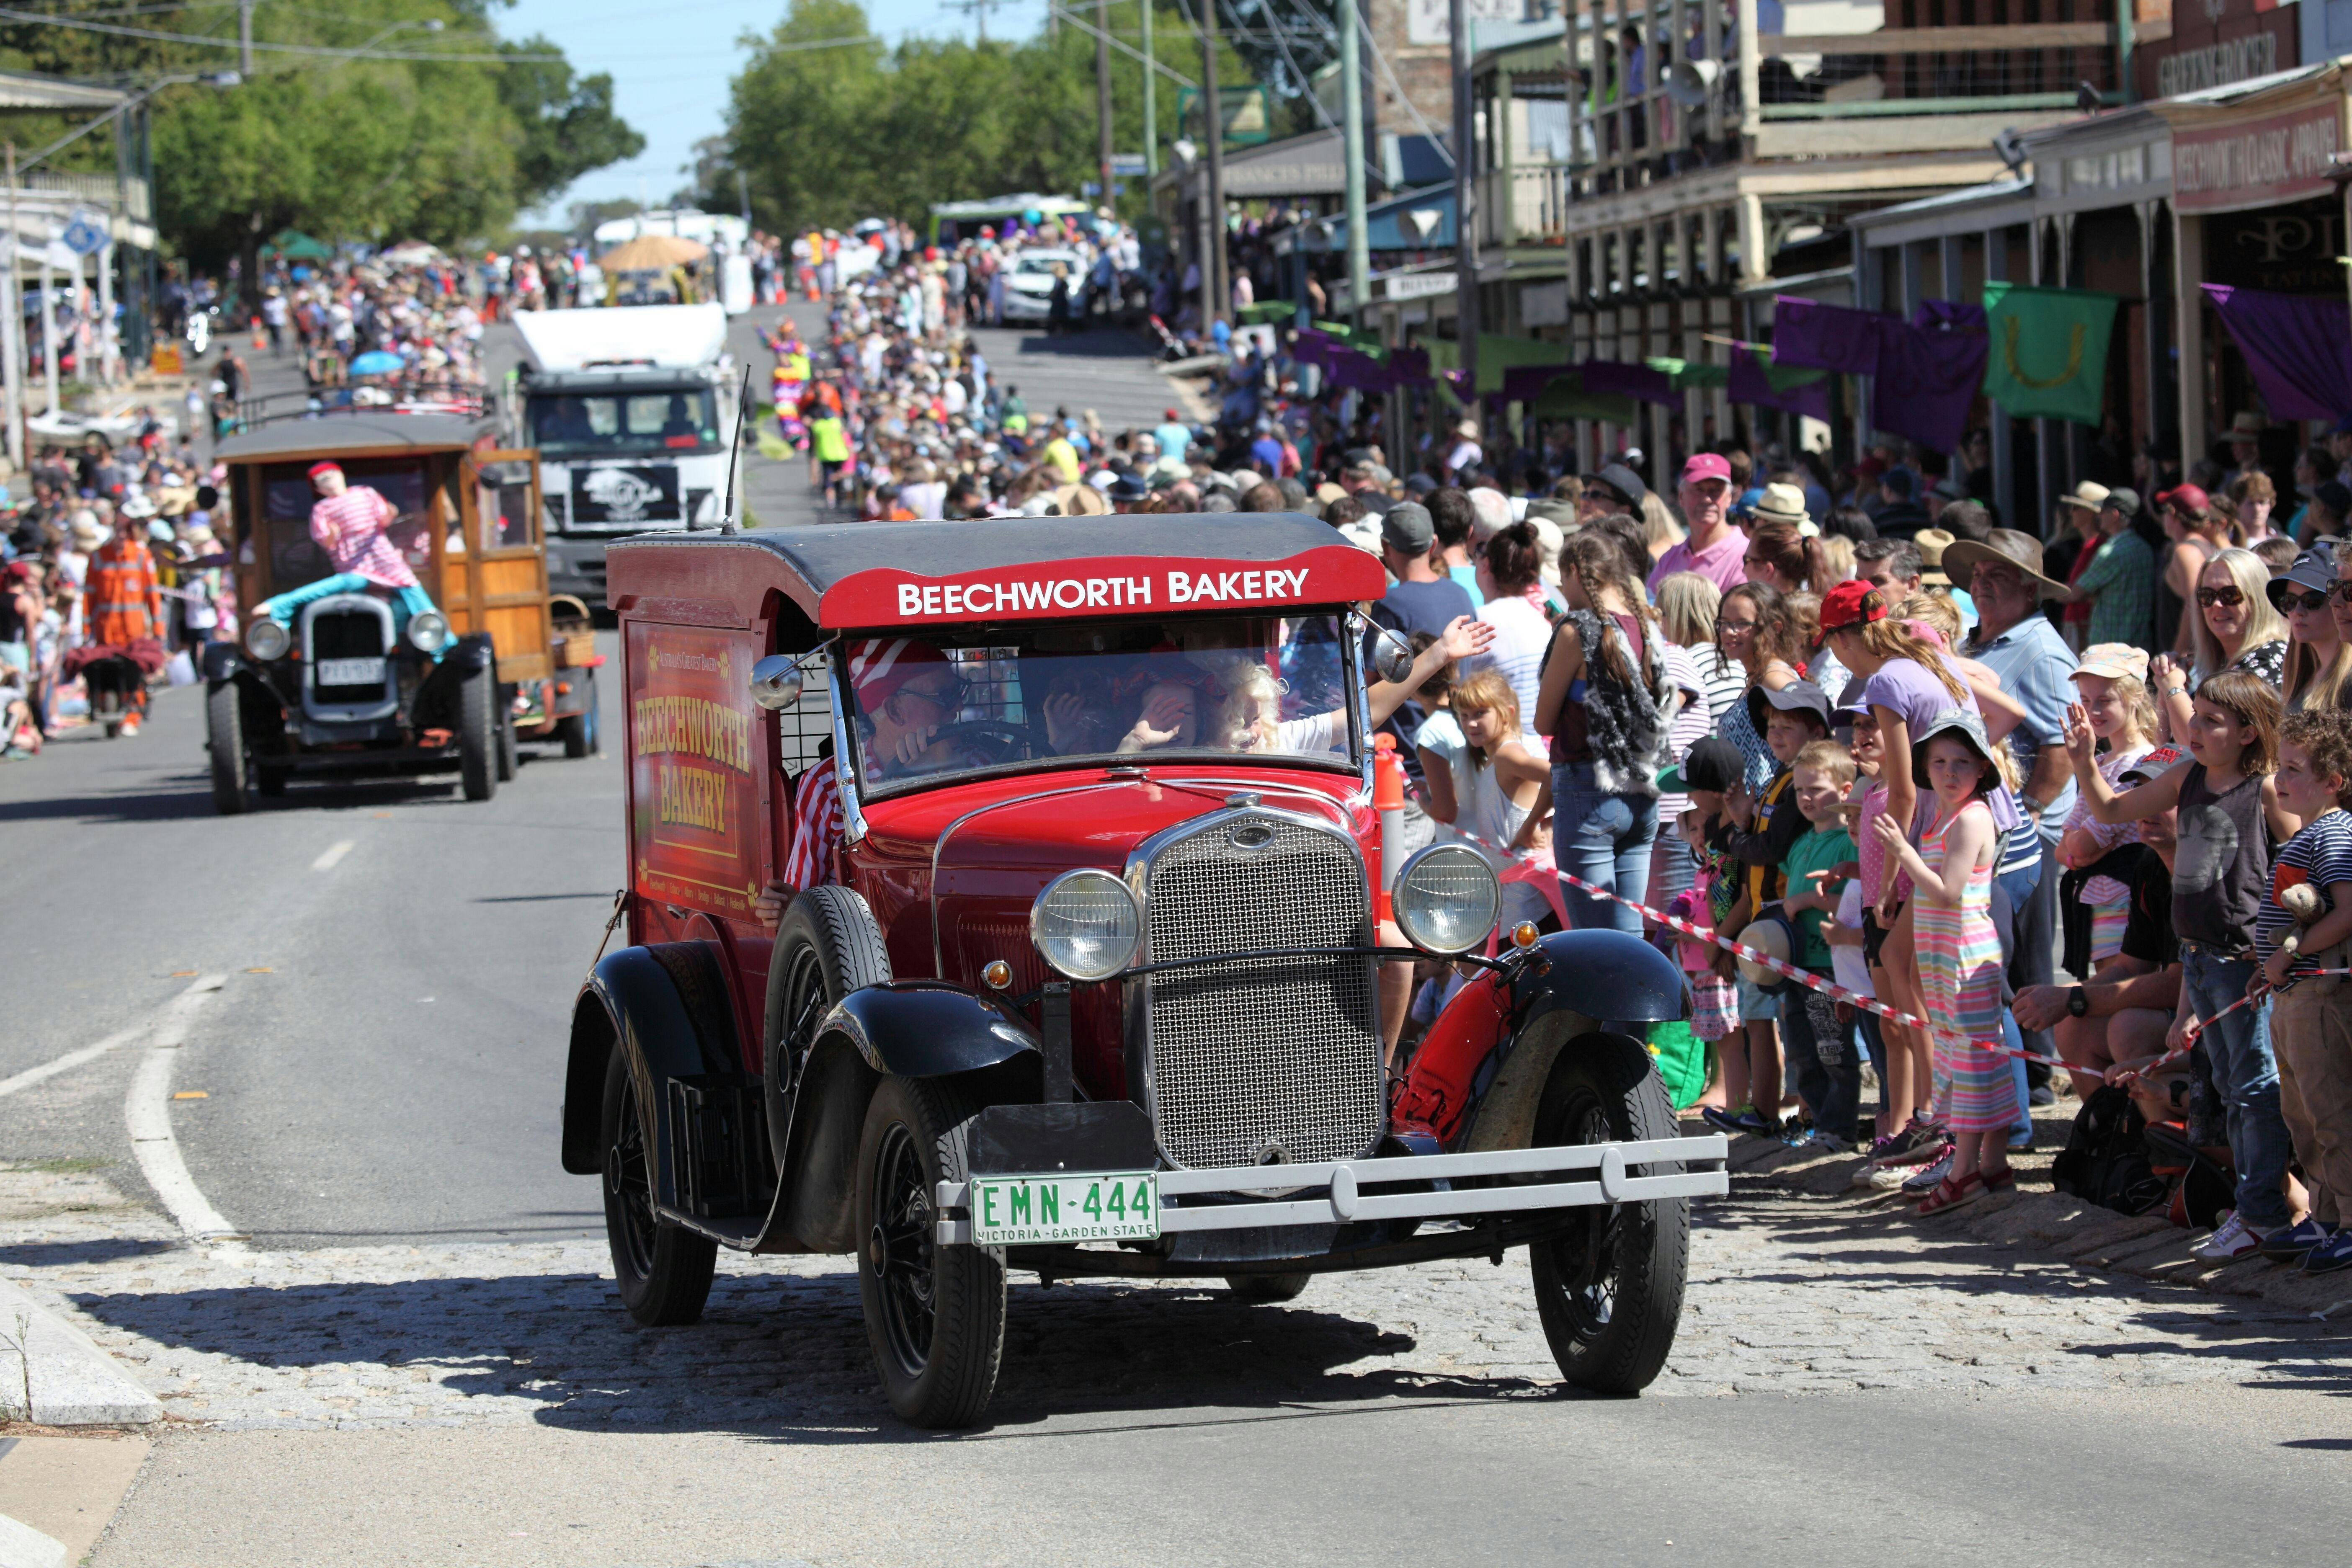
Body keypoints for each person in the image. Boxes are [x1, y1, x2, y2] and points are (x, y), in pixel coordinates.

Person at [2064, 670, 2299, 1259]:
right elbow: (2113, 805)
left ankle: (2265, 1214)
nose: (2197, 728)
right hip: (2198, 957)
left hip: (2242, 960)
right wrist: (2083, 761)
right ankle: (2252, 1208)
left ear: (2248, 732)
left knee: (2254, 1089)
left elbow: (2302, 860)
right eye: (2195, 716)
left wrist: (2280, 947)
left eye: (2213, 721)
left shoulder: (2263, 789)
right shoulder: (2186, 776)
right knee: (2223, 1089)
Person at [1949, 529, 2079, 1109]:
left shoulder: (2042, 651)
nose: (1982, 585)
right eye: (1977, 576)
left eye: (1997, 576)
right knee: (2000, 949)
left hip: (2026, 829)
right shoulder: (1983, 642)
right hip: (1993, 822)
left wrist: (2027, 814)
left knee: (2024, 951)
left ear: (2030, 589)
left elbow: (2061, 746)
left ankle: (2041, 1070)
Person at [1874, 707, 2019, 1212]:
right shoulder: (1947, 815)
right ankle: (1993, 1164)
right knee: (1972, 1061)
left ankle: (1964, 1172)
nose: (1949, 773)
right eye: (1938, 762)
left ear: (1982, 767)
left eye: (1961, 762)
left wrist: (1902, 852)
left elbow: (1949, 890)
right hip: (1944, 957)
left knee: (1973, 1065)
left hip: (1964, 957)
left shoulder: (1973, 816)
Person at [2017, 747, 2185, 1098]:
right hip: (2180, 1018)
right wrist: (2062, 997)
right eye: (2138, 795)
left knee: (2128, 1028)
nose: (2145, 808)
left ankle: (2160, 1142)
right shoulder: (2149, 865)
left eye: (2161, 797)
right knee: (2071, 1026)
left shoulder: (2204, 870)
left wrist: (2076, 999)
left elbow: (2177, 985)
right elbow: (2130, 967)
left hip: (2217, 1021)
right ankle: (2108, 1136)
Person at [1530, 531, 1672, 933]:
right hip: (1643, 797)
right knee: (1628, 938)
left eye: (1562, 577)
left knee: (1593, 941)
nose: (1561, 587)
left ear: (1576, 571)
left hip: (1587, 794)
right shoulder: (1645, 624)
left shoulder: (1576, 630)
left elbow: (1543, 722)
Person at [2254, 709, 2352, 1272]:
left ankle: (2350, 1218)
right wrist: (2265, 966)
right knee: (2302, 1113)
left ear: (2332, 781)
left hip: (2323, 990)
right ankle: (2325, 1212)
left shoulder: (2337, 833)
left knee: (2332, 1109)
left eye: (2293, 769)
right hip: (2291, 992)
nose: (2280, 780)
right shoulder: (2307, 835)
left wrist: (2288, 957)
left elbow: (2345, 916)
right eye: (2279, 767)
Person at [1775, 737, 1859, 1147]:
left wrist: (1808, 899)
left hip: (1831, 964)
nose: (1805, 797)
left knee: (1835, 1053)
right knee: (1803, 1053)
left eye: (1816, 789)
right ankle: (1819, 1122)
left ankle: (1839, 1128)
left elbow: (1854, 901)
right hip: (1798, 964)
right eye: (1800, 789)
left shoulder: (1847, 843)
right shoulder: (1800, 844)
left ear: (1846, 792)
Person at [2056, 645, 2159, 978]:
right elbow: (2066, 844)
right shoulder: (2100, 762)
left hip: (2124, 899)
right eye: (2086, 700)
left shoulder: (2143, 764)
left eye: (2105, 700)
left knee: (2118, 993)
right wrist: (2077, 851)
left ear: (2136, 697)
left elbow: (2084, 842)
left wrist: (2080, 848)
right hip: (2098, 900)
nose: (2093, 710)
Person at [252, 462, 437, 646]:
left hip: (383, 559)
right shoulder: (322, 509)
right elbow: (325, 540)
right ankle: (282, 605)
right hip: (355, 567)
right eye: (321, 479)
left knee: (413, 591)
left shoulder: (365, 493)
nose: (328, 479)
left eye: (331, 474)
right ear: (317, 488)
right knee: (347, 585)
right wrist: (332, 533)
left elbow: (386, 518)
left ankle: (444, 646)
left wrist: (391, 511)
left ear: (341, 474)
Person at [2153, 546, 2288, 741]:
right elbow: (2162, 747)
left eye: (2231, 595)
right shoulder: (2206, 664)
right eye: (2207, 596)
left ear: (2257, 598)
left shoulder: (2271, 658)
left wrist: (2173, 688)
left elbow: (2206, 744)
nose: (2217, 605)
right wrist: (2165, 677)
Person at [80, 511, 166, 735]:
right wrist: (86, 627)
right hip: (106, 629)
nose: (121, 535)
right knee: (106, 672)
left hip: (133, 629)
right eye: (117, 530)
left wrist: (158, 627)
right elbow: (89, 595)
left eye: (125, 531)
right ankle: (108, 711)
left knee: (133, 672)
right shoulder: (98, 557)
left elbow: (152, 594)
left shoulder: (141, 556)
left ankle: (132, 716)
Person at [1714, 581, 1803, 793]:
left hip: (1769, 812)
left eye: (1742, 624)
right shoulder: (1758, 677)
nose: (1729, 632)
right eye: (1724, 623)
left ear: (1775, 628)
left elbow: (1808, 741)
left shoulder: (1775, 679)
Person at [1466, 521, 1550, 727]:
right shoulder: (1540, 620)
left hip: (1504, 746)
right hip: (1539, 746)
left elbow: (1465, 697)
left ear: (1486, 565)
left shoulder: (1481, 622)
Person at [2057, 486, 2157, 652]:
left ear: (2115, 515)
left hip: (2110, 649)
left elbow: (2076, 593)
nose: (2099, 515)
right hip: (2139, 645)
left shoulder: (2111, 552)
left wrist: (2046, 590)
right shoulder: (2144, 548)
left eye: (2103, 510)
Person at [1645, 453, 1746, 596]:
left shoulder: (1744, 556)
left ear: (1729, 498)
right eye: (1699, 489)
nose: (1707, 499)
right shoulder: (1670, 558)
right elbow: (1651, 611)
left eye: (1716, 490)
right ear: (1681, 497)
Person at [2272, 544, 2349, 714]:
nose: (2297, 612)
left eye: (2312, 601)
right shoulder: (2300, 677)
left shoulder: (2348, 684)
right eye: (2289, 602)